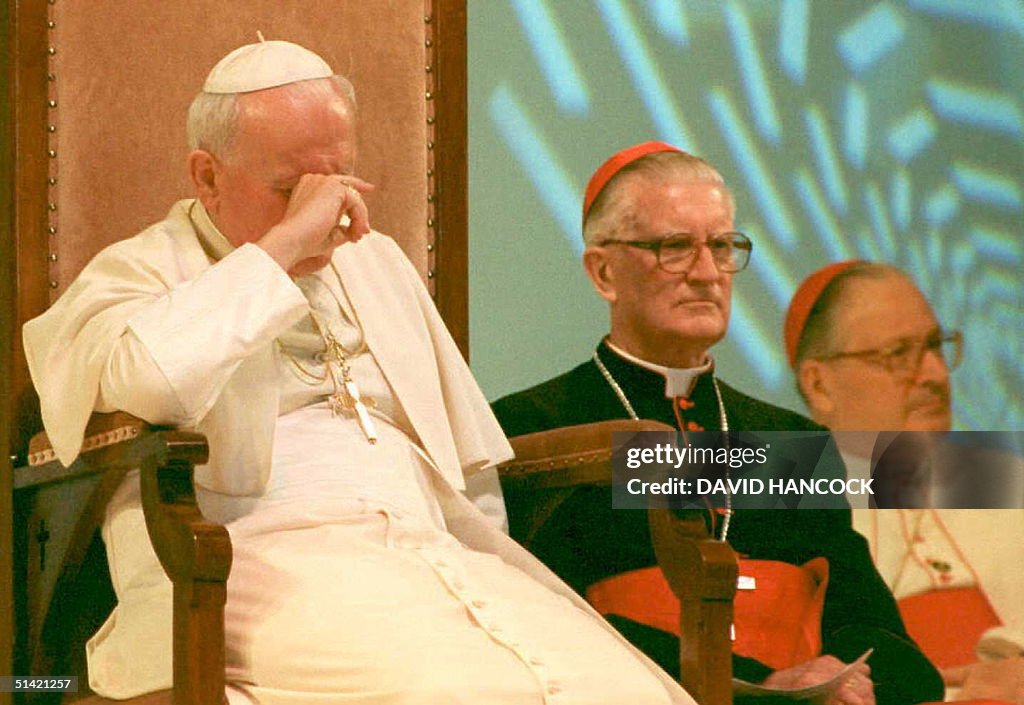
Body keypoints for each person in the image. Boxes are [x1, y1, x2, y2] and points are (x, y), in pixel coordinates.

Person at [22, 42, 694, 705]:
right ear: (207, 176)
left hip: (426, 548)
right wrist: (279, 253)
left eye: (340, 180)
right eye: (294, 190)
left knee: (624, 689)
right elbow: (152, 383)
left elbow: (466, 465)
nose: (331, 214)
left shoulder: (377, 261)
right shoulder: (138, 270)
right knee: (458, 692)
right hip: (259, 560)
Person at [492, 142, 943, 705]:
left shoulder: (788, 439)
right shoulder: (532, 427)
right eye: (675, 248)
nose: (707, 273)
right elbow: (538, 619)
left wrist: (848, 672)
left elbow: (874, 625)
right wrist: (752, 685)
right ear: (604, 271)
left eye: (723, 246)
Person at [786, 260, 1024, 703]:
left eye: (936, 346)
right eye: (899, 355)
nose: (935, 374)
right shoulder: (789, 509)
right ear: (819, 385)